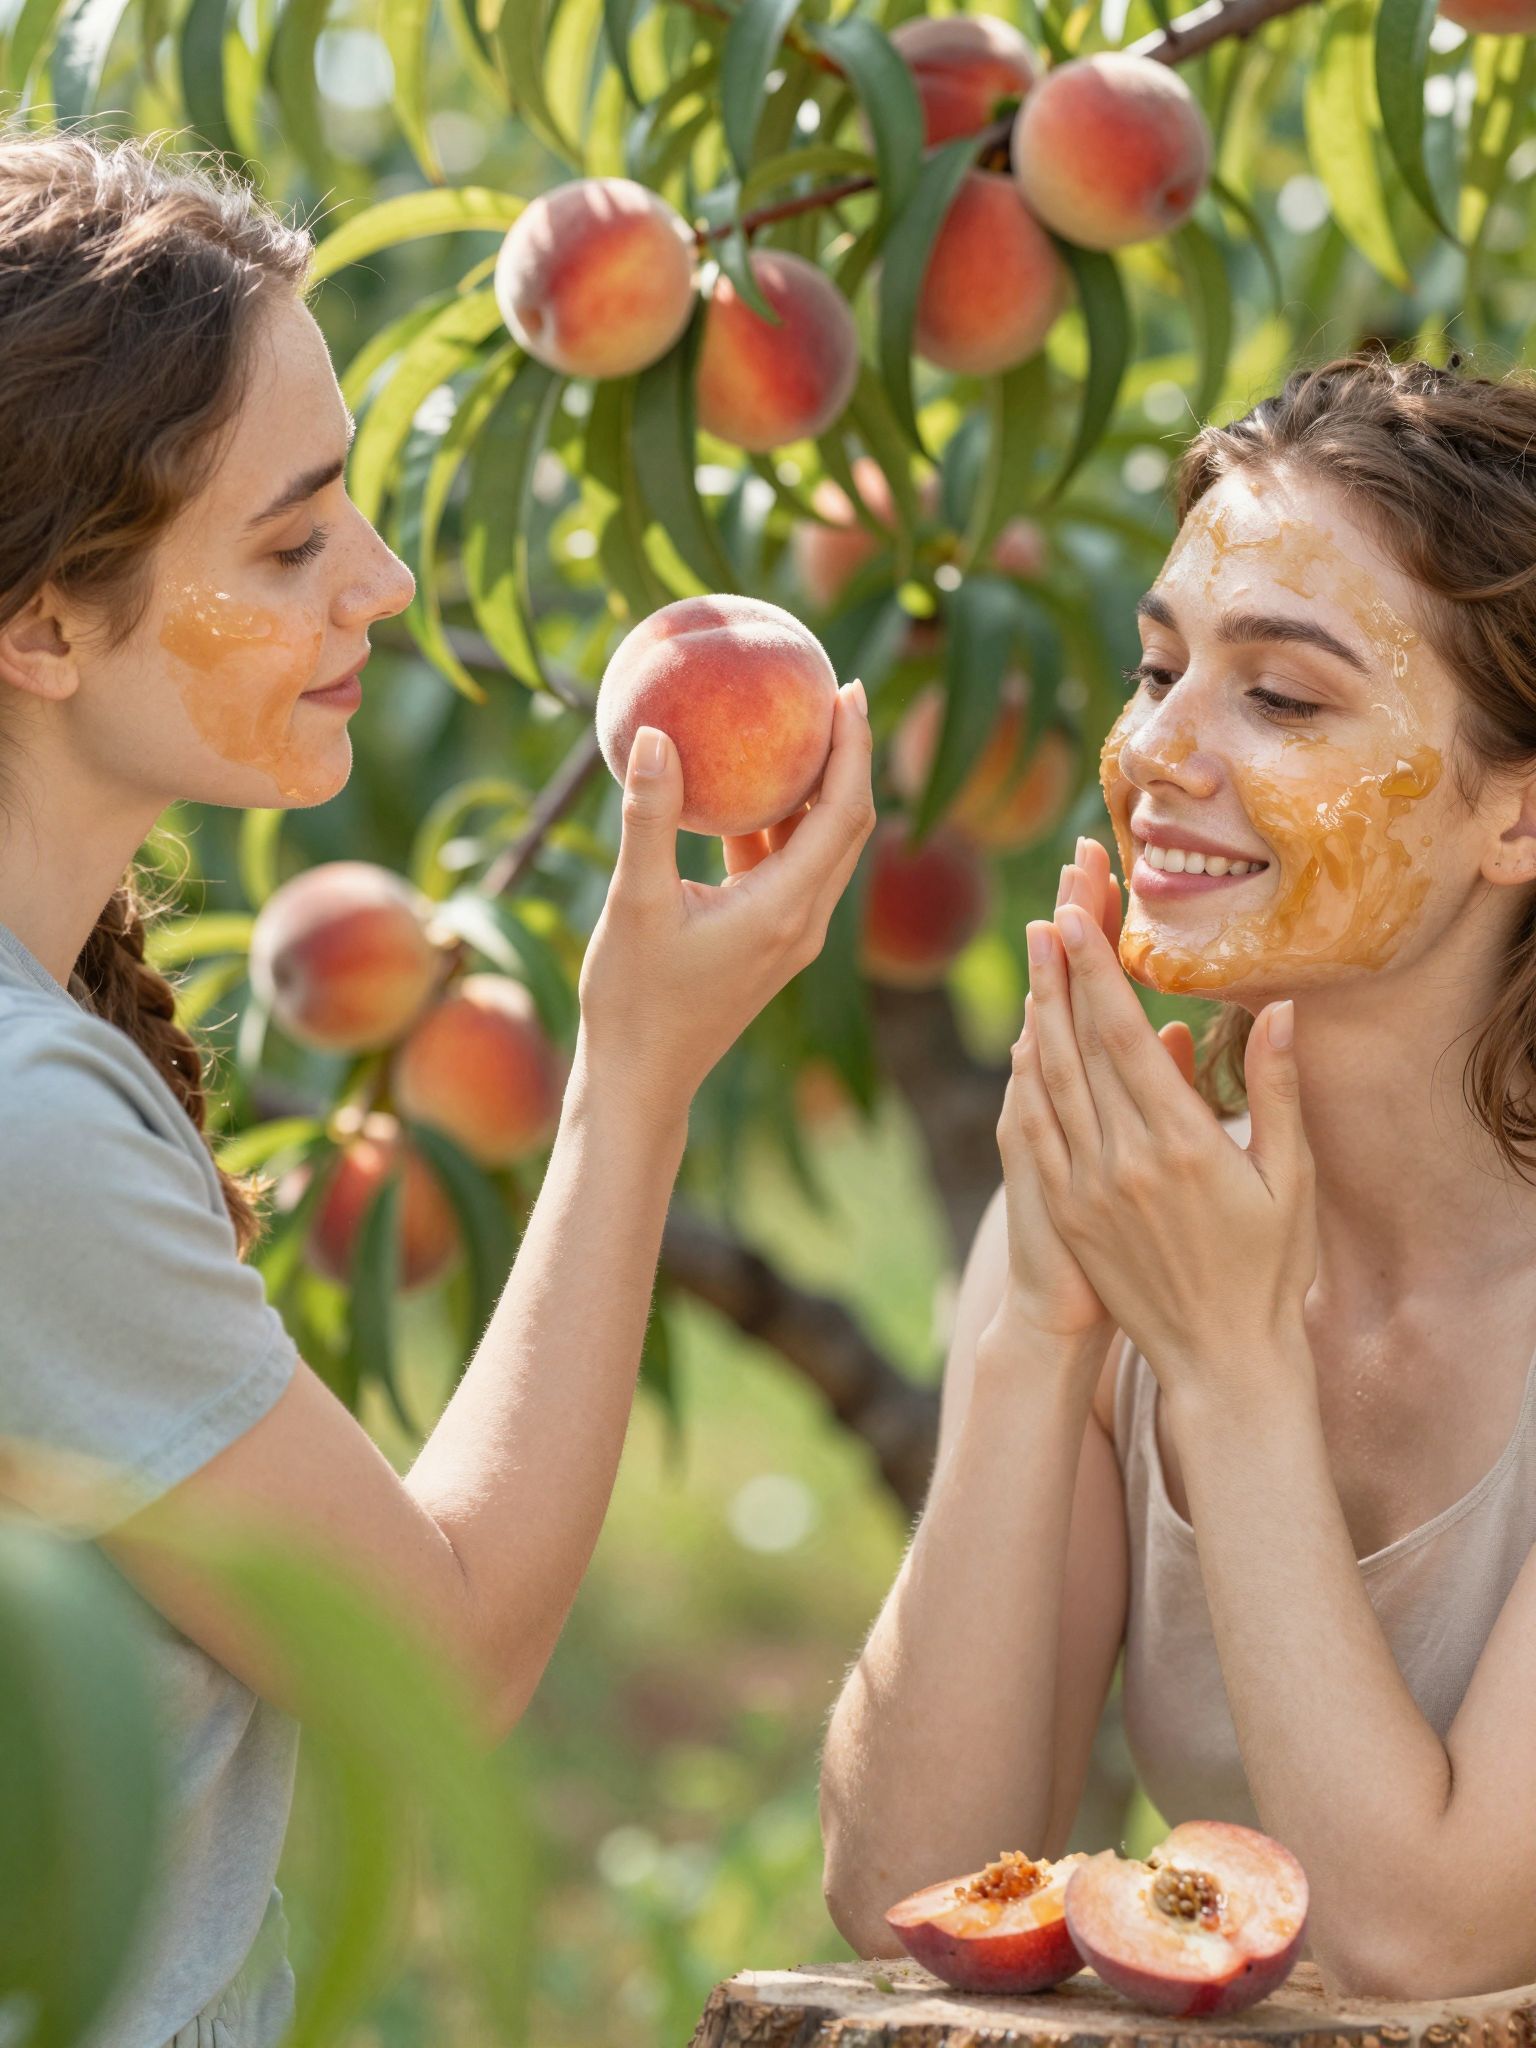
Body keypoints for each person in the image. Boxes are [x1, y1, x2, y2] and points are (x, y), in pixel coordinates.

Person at [0, 126, 874, 2045]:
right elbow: (436, 1653)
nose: (380, 585)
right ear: (44, 624)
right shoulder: (27, 1127)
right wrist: (634, 1074)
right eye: (293, 541)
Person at [821, 351, 1536, 2002]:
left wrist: (1224, 1365)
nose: (1158, 753)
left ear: (1516, 814)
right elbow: (909, 1884)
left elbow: (1417, 1945)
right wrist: (1039, 1330)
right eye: (1158, 671)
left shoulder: (1200, 1292)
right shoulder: (1128, 1215)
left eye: (1281, 697)